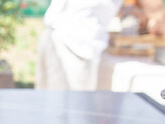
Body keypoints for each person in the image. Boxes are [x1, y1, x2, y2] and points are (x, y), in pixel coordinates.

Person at [36, 0, 164, 90]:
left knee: (50, 110)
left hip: (53, 31)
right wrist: (155, 20)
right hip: (76, 40)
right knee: (75, 112)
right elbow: (157, 16)